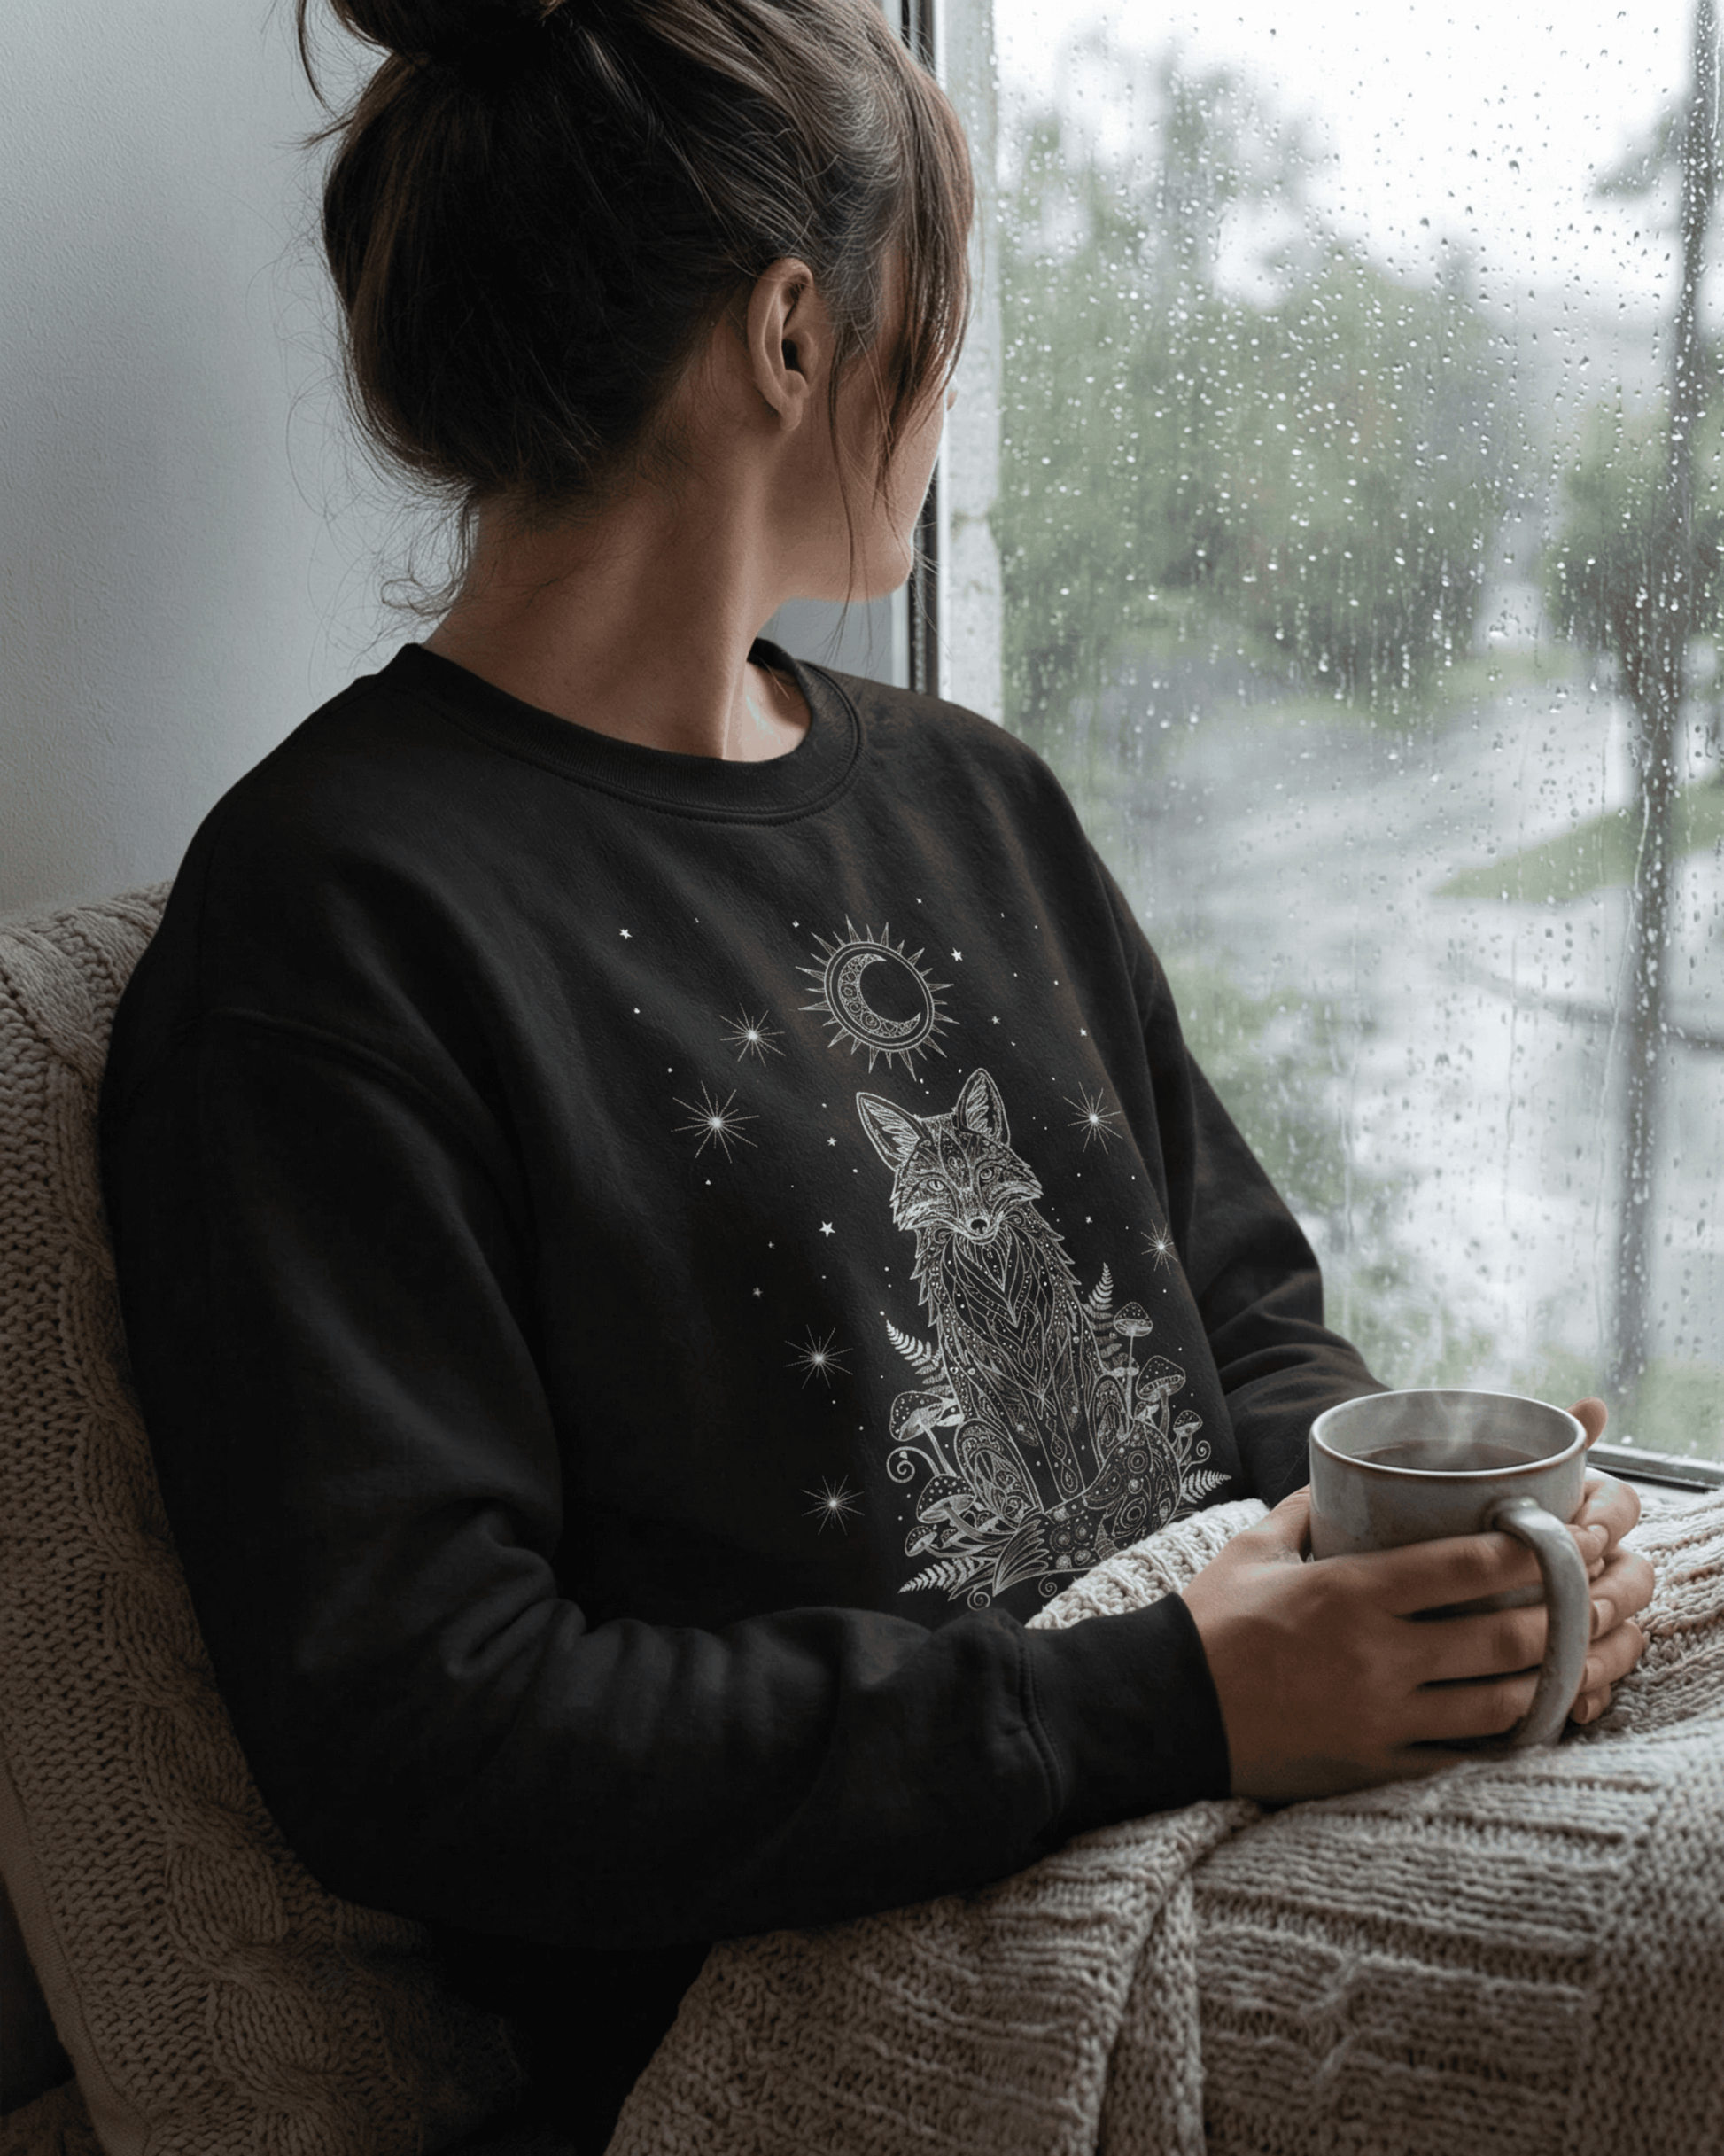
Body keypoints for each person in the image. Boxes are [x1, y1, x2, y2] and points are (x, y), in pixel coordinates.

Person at [97, 0, 1654, 2143]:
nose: (955, 374)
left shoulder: (975, 798)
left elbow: (1242, 1319)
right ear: (793, 333)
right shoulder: (333, 925)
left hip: (1206, 1787)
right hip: (835, 1973)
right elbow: (434, 1732)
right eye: (945, 305)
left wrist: (1429, 1553)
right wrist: (1178, 1697)